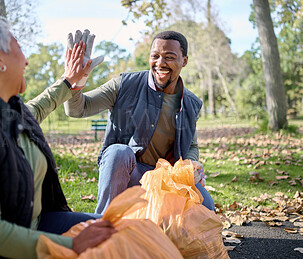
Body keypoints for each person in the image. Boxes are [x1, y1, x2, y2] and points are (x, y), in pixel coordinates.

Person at [0, 12, 116, 258]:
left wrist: (70, 80)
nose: (25, 61)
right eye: (18, 49)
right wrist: (72, 247)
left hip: (32, 226)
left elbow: (38, 107)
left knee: (121, 232)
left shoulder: (7, 108)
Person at [64, 30, 215, 214]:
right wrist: (75, 81)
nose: (160, 63)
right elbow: (77, 109)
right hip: (129, 174)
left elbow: (191, 144)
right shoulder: (123, 84)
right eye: (155, 56)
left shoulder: (190, 103)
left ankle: (155, 224)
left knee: (207, 208)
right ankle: (103, 221)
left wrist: (192, 165)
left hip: (166, 180)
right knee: (118, 152)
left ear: (184, 60)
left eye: (169, 57)